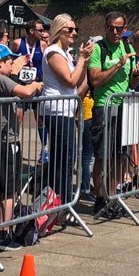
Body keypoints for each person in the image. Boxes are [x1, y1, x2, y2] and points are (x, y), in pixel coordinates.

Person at [0, 44, 42, 251]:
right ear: (0, 62)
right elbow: (25, 92)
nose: (13, 64)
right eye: (10, 61)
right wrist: (36, 85)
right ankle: (4, 233)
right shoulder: (0, 79)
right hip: (6, 140)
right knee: (9, 189)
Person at [39, 14, 92, 206]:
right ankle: (60, 201)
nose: (74, 33)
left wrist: (84, 62)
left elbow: (77, 82)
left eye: (75, 29)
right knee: (64, 158)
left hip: (65, 109)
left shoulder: (65, 53)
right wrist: (82, 60)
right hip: (56, 110)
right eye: (69, 29)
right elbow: (69, 80)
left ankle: (58, 200)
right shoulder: (53, 52)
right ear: (58, 31)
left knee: (65, 157)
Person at [88, 10, 136, 214]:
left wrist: (138, 74)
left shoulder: (128, 47)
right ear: (105, 28)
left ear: (125, 29)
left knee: (120, 156)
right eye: (111, 28)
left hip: (123, 107)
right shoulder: (99, 49)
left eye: (119, 28)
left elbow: (131, 81)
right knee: (102, 156)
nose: (115, 32)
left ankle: (112, 195)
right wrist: (118, 64)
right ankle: (99, 198)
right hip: (104, 107)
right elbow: (95, 80)